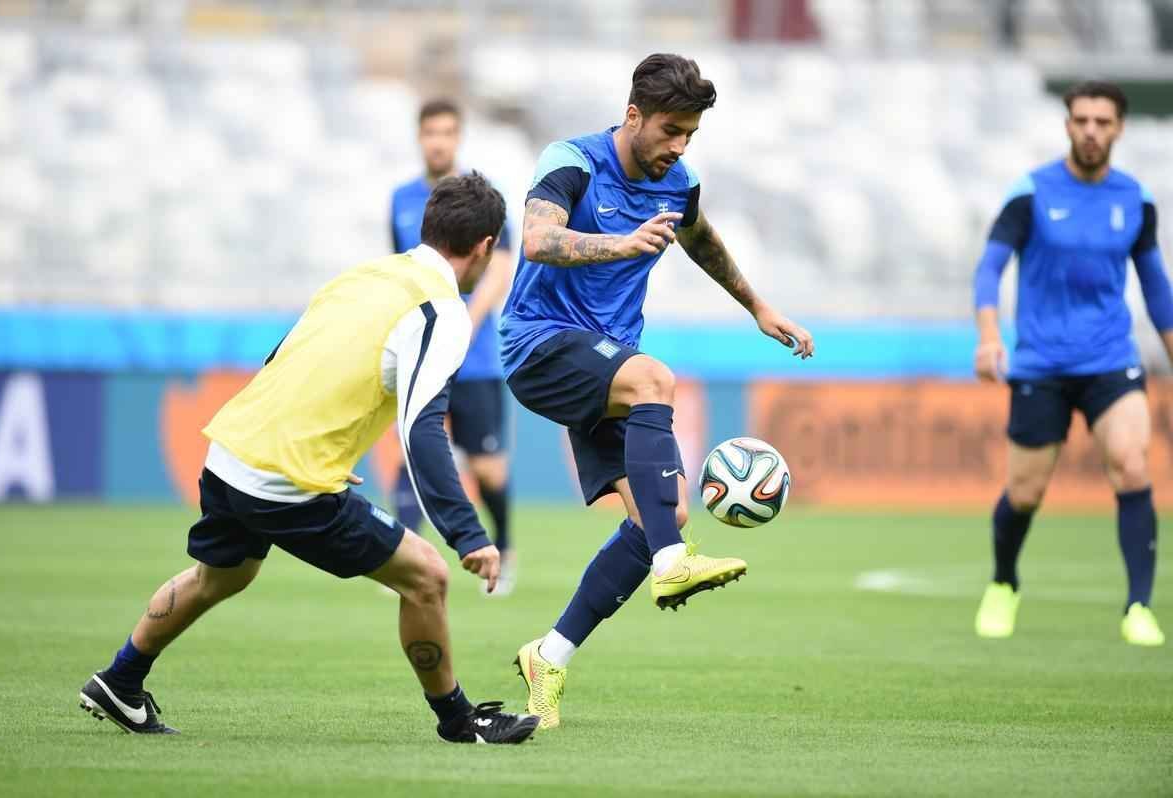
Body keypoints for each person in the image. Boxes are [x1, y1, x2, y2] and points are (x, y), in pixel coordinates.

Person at [77, 173, 540, 743]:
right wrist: (468, 534)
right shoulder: (441, 313)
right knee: (426, 577)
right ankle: (459, 722)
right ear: (487, 247)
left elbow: (286, 352)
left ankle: (120, 680)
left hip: (230, 451)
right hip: (283, 481)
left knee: (219, 576)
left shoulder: (367, 273)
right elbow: (422, 430)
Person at [500, 53, 815, 728]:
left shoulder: (681, 183)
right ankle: (675, 562)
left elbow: (699, 240)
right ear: (634, 116)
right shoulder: (573, 160)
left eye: (691, 135)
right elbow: (535, 239)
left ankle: (548, 656)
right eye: (671, 130)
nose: (679, 146)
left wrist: (757, 306)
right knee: (655, 379)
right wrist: (618, 244)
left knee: (657, 519)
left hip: (606, 360)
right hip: (538, 343)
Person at [972, 80, 1171, 647]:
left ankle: (1138, 607)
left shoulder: (1136, 199)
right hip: (1041, 366)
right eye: (1081, 120)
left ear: (1119, 128)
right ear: (1067, 125)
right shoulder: (1031, 192)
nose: (1090, 130)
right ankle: (1004, 583)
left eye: (1101, 122)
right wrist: (989, 336)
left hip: (1112, 360)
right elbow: (989, 270)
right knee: (1025, 493)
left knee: (1133, 467)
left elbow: (1156, 287)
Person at [389, 100, 519, 595]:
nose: (438, 141)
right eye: (430, 133)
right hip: (421, 351)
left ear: (458, 137)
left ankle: (503, 549)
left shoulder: (482, 199)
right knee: (413, 449)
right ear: (420, 138)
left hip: (476, 358)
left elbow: (502, 266)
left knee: (487, 468)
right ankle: (402, 558)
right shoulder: (401, 199)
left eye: (447, 132)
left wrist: (463, 320)